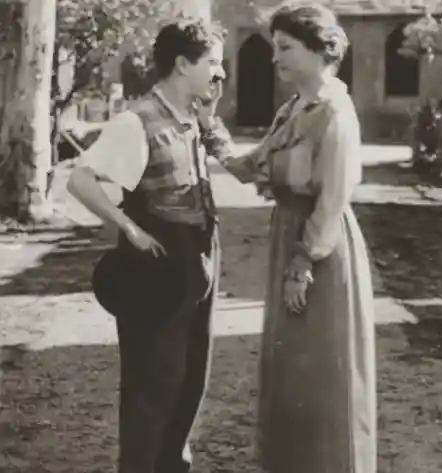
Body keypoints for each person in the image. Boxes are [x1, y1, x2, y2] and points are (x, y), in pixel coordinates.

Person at [199, 3, 377, 472]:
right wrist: (208, 125)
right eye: (274, 47)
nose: (275, 58)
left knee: (321, 368)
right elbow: (250, 167)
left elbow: (333, 199)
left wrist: (302, 263)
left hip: (321, 248)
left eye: (285, 48)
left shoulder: (336, 113)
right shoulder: (293, 109)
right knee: (292, 368)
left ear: (320, 51)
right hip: (290, 235)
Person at [67, 17, 227, 473]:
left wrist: (209, 119)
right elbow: (81, 179)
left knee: (191, 377)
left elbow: (225, 158)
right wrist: (130, 229)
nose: (218, 74)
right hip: (159, 266)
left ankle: (170, 466)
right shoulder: (135, 121)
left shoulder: (192, 116)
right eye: (212, 63)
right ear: (181, 64)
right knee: (153, 385)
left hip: (200, 256)